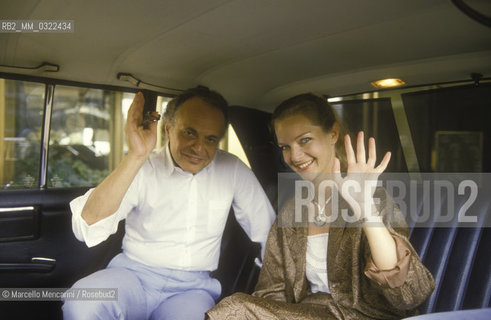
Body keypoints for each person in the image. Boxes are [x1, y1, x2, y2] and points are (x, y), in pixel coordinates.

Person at [207, 93, 435, 319]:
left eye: (304, 140)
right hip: (310, 314)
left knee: (233, 309)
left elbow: (409, 295)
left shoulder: (371, 196)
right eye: (285, 147)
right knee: (234, 310)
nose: (294, 156)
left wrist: (366, 209)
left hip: (367, 316)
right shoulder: (292, 211)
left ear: (333, 133)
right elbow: (272, 292)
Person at [62, 86, 276, 320]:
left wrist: (279, 294)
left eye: (210, 139)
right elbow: (88, 224)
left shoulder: (233, 170)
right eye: (190, 133)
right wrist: (136, 155)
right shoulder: (143, 166)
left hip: (192, 289)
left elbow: (268, 231)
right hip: (132, 276)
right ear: (168, 129)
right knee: (83, 300)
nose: (199, 148)